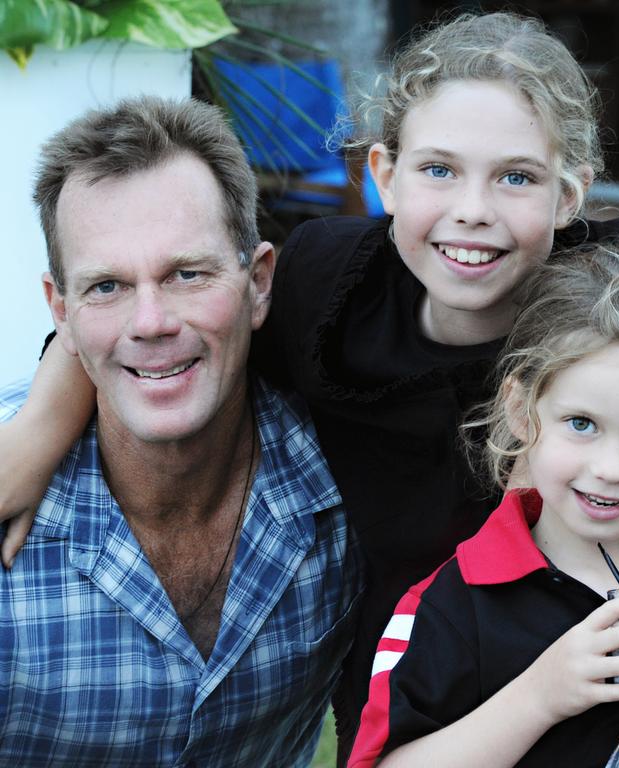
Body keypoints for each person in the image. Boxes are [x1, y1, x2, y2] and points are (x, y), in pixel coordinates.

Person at [0, 11, 619, 753]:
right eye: (438, 170)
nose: (472, 210)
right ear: (384, 175)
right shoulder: (326, 289)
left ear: (570, 196)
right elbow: (148, 327)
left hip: (583, 674)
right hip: (406, 703)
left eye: (517, 178)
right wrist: (39, 429)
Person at [0, 96, 361, 766]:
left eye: (186, 274)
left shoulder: (348, 476)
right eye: (106, 287)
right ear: (63, 312)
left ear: (258, 283)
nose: (151, 321)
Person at [347, 241, 619, 768]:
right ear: (520, 410)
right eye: (581, 424)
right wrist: (539, 696)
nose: (611, 468)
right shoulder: (454, 605)